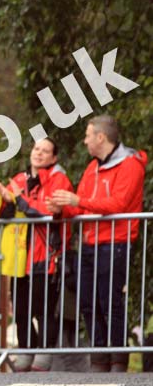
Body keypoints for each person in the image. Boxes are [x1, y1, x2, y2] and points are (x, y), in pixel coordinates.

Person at [48, 115, 147, 372]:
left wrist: (76, 202)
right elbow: (81, 204)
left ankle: (117, 357)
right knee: (88, 301)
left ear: (101, 137)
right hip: (90, 242)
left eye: (88, 135)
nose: (85, 140)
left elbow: (118, 204)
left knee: (110, 300)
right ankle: (98, 356)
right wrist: (60, 209)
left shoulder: (130, 163)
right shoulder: (92, 167)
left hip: (115, 241)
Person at [0, 138, 75, 371]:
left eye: (45, 151)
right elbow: (4, 215)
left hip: (45, 254)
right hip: (19, 256)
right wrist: (5, 200)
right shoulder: (19, 179)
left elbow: (46, 212)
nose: (39, 154)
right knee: (20, 308)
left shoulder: (59, 179)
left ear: (54, 158)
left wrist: (18, 198)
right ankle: (26, 350)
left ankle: (43, 353)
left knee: (43, 308)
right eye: (37, 149)